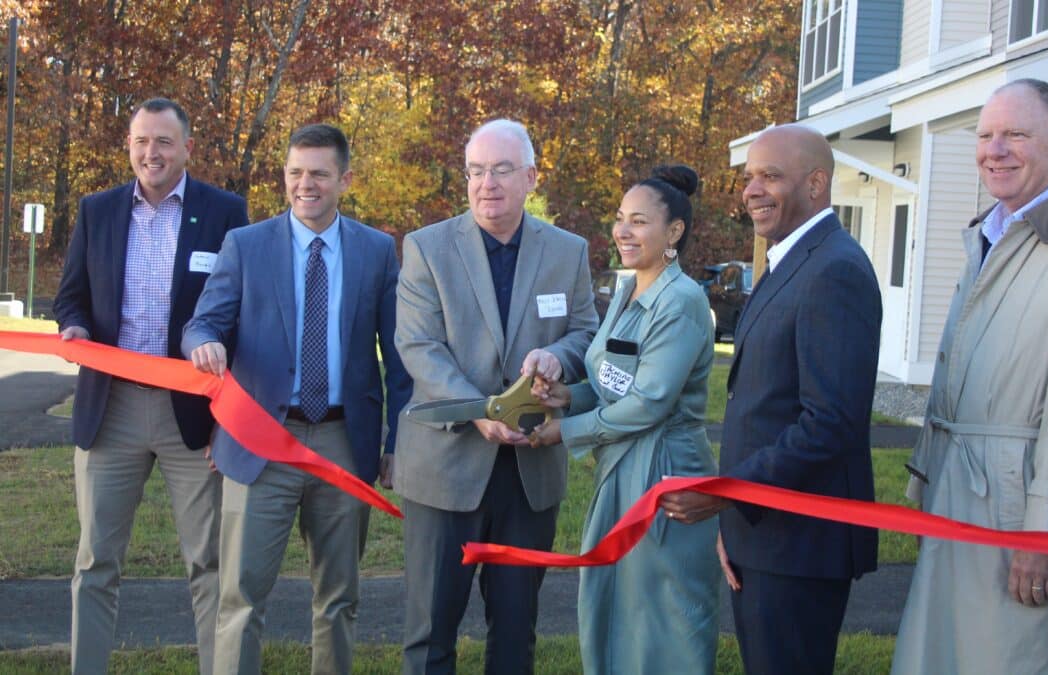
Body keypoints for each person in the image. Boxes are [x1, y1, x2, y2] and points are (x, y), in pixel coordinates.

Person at [182, 123, 411, 674]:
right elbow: (201, 323)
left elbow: (400, 358)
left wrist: (396, 441)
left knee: (337, 598)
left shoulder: (377, 252)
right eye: (295, 173)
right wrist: (205, 341)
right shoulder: (247, 244)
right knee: (239, 598)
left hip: (342, 442)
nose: (305, 185)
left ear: (345, 179)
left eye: (318, 174)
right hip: (260, 441)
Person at [660, 124, 881, 675]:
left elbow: (830, 423)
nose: (752, 189)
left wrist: (725, 495)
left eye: (770, 176)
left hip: (801, 543)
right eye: (749, 177)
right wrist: (734, 518)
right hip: (763, 532)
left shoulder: (835, 270)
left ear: (816, 183)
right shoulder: (789, 258)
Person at [392, 118, 597, 674]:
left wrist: (561, 357)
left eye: (502, 170)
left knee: (514, 633)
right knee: (430, 633)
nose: (487, 183)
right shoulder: (427, 248)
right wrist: (480, 411)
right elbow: (418, 346)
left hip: (528, 473)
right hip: (446, 466)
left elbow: (585, 331)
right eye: (476, 171)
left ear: (531, 176)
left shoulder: (567, 251)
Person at [52, 97, 248, 675]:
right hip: (108, 409)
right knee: (95, 562)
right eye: (140, 141)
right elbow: (71, 295)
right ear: (129, 146)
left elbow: (242, 313)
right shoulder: (98, 210)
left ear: (187, 147)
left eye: (163, 141)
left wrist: (227, 420)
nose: (150, 152)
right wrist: (75, 327)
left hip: (192, 415)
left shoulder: (224, 212)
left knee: (209, 562)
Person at [890, 79, 1048, 674]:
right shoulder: (986, 235)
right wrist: (926, 482)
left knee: (1010, 658)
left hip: (1018, 510)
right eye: (986, 135)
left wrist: (1044, 535)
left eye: (1016, 134)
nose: (995, 150)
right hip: (958, 491)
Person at [528, 165, 722, 674]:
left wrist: (564, 432)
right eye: (619, 219)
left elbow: (648, 404)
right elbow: (616, 382)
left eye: (638, 221)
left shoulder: (680, 302)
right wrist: (568, 396)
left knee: (662, 621)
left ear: (674, 232)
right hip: (619, 465)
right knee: (612, 604)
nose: (623, 231)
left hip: (664, 475)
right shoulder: (628, 289)